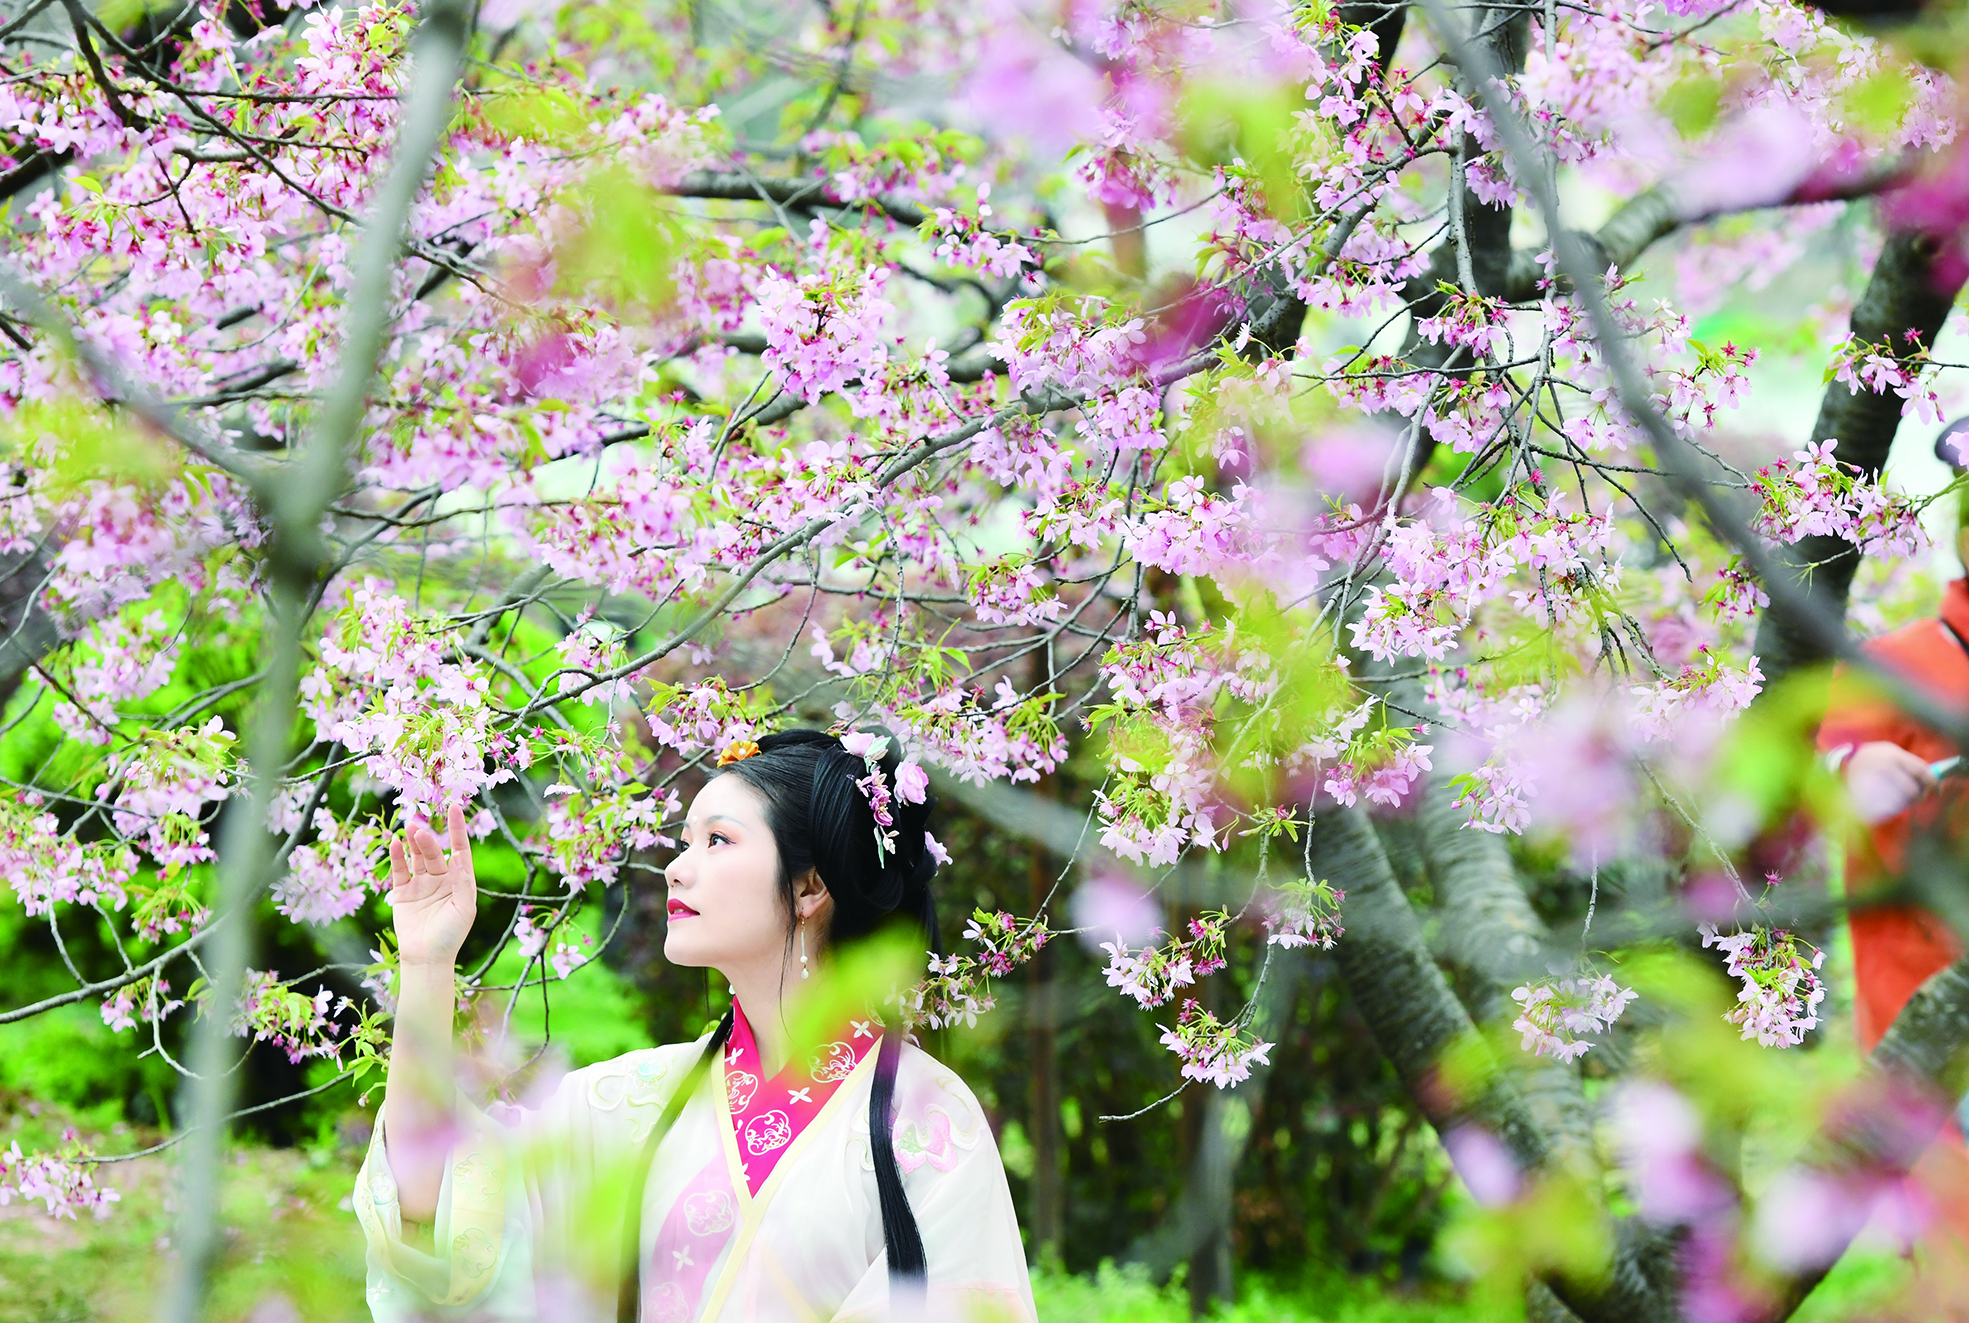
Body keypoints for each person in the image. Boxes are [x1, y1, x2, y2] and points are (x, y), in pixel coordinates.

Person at [353, 729, 1035, 1322]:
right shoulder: (634, 1102)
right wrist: (427, 966)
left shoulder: (927, 1124)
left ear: (809, 887)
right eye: (685, 842)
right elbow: (435, 1197)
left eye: (718, 840)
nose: (676, 868)